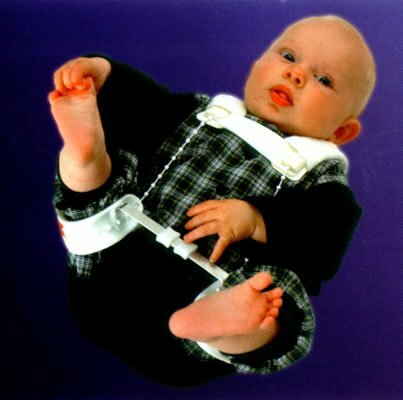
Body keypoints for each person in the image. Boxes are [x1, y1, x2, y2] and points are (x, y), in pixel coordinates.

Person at [49, 15, 375, 387]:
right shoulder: (203, 114)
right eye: (287, 56)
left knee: (278, 304)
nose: (296, 74)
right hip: (115, 252)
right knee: (114, 174)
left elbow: (325, 237)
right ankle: (85, 158)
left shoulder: (321, 183)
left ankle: (224, 325)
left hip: (197, 304)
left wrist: (257, 219)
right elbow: (147, 105)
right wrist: (104, 75)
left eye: (324, 80)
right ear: (257, 65)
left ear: (341, 131)